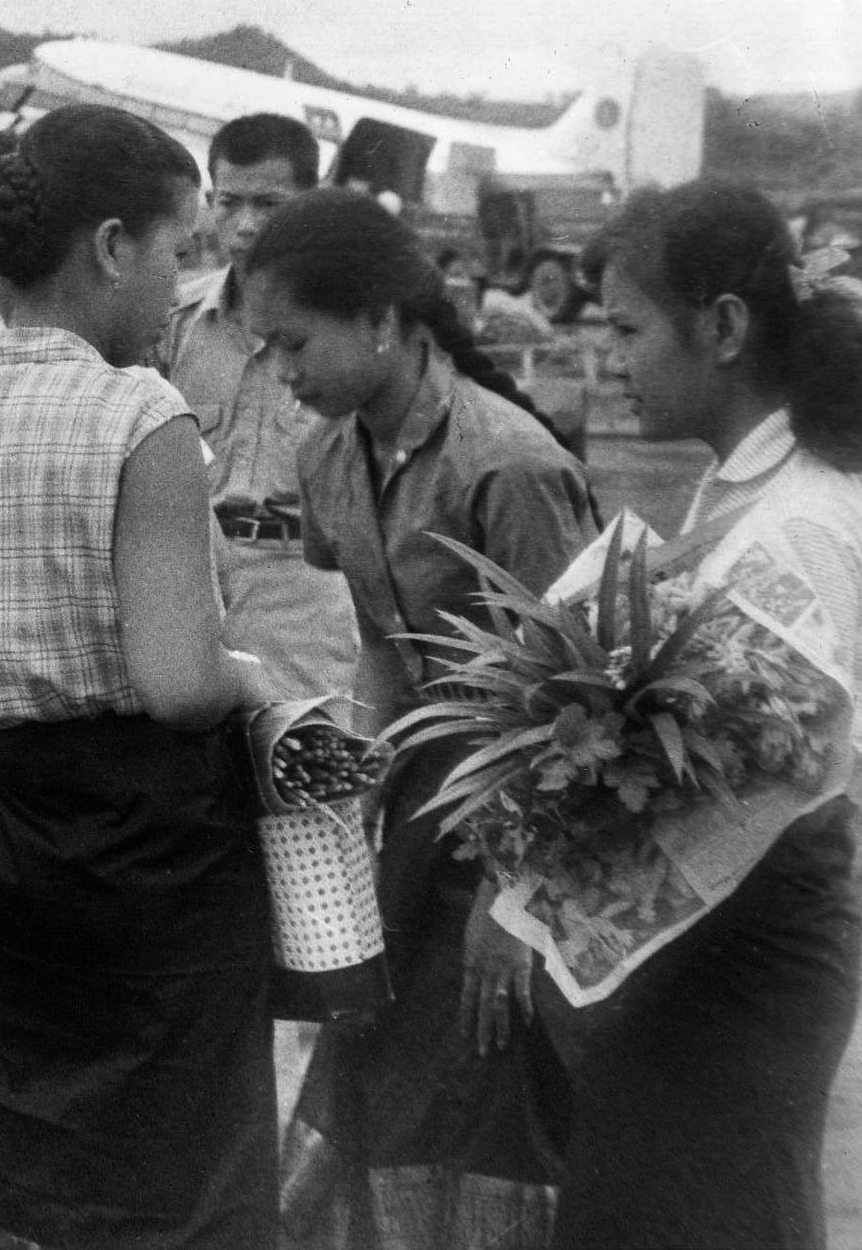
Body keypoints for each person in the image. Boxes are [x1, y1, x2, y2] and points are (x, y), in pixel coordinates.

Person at [0, 103, 281, 1249]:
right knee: (175, 1171)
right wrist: (252, 676)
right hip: (151, 856)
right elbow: (179, 684)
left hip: (3, 833)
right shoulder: (143, 413)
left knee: (23, 1144)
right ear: (113, 246)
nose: (179, 287)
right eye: (177, 250)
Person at [543, 178, 862, 1250]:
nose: (611, 360)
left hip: (748, 945)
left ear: (726, 327)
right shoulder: (746, 486)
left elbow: (775, 766)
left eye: (627, 330)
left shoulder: (800, 520)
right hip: (714, 935)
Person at [241, 187, 597, 1249]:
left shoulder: (510, 463)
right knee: (385, 1076)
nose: (281, 371)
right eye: (267, 347)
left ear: (383, 322)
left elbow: (577, 705)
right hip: (416, 823)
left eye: (295, 343)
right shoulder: (326, 455)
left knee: (489, 1084)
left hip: (523, 826)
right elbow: (380, 647)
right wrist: (351, 794)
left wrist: (512, 900)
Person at [159, 113, 359, 700]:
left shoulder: (353, 333)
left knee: (307, 748)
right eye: (229, 203)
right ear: (209, 203)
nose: (246, 224)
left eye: (269, 204)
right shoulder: (173, 323)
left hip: (307, 599)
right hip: (190, 593)